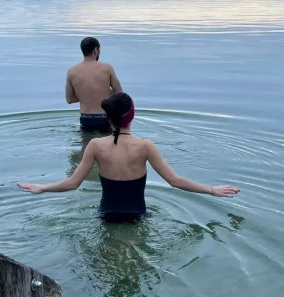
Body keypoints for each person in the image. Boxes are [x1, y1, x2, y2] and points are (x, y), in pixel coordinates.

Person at [19, 92, 239, 222]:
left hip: (106, 217)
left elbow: (73, 183)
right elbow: (175, 181)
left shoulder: (95, 145)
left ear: (108, 118)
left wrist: (43, 187)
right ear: (132, 115)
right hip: (137, 216)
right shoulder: (145, 146)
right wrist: (212, 190)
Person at [66, 37, 123, 132]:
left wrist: (85, 95)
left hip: (85, 119)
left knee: (87, 146)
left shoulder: (72, 71)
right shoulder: (107, 68)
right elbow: (119, 93)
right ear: (96, 50)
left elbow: (69, 99)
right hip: (104, 118)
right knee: (108, 145)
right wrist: (105, 93)